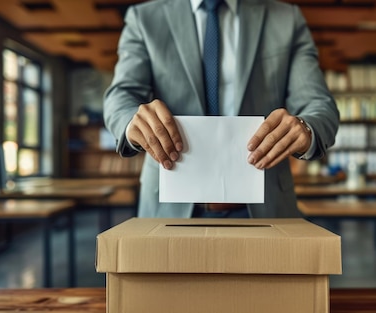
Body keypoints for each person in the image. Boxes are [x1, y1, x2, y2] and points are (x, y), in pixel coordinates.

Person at [104, 0, 339, 218]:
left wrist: (306, 128)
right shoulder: (144, 19)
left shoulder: (286, 19)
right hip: (168, 206)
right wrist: (131, 121)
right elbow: (121, 96)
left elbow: (319, 104)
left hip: (266, 207)